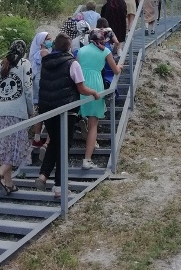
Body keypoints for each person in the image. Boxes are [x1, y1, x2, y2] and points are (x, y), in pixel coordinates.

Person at [34, 33, 100, 198]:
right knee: (64, 146)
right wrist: (94, 92)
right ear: (69, 47)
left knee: (55, 142)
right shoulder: (72, 63)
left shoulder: (46, 61)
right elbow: (81, 88)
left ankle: (43, 175)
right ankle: (59, 186)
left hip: (47, 109)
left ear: (55, 46)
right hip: (66, 110)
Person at [0, 40, 34, 195]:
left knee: (4, 147)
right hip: (16, 112)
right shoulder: (25, 64)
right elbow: (27, 88)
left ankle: (9, 184)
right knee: (18, 147)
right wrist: (30, 110)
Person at [78, 29, 123, 169]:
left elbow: (76, 68)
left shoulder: (81, 51)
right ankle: (87, 160)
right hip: (96, 85)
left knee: (81, 112)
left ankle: (82, 122)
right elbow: (115, 70)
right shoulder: (105, 51)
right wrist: (119, 66)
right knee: (94, 124)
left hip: (81, 84)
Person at [28, 32, 52, 149]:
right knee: (48, 110)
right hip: (43, 82)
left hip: (36, 83)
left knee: (39, 111)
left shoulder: (34, 54)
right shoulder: (44, 53)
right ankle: (48, 140)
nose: (50, 41)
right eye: (48, 39)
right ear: (42, 41)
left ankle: (37, 138)